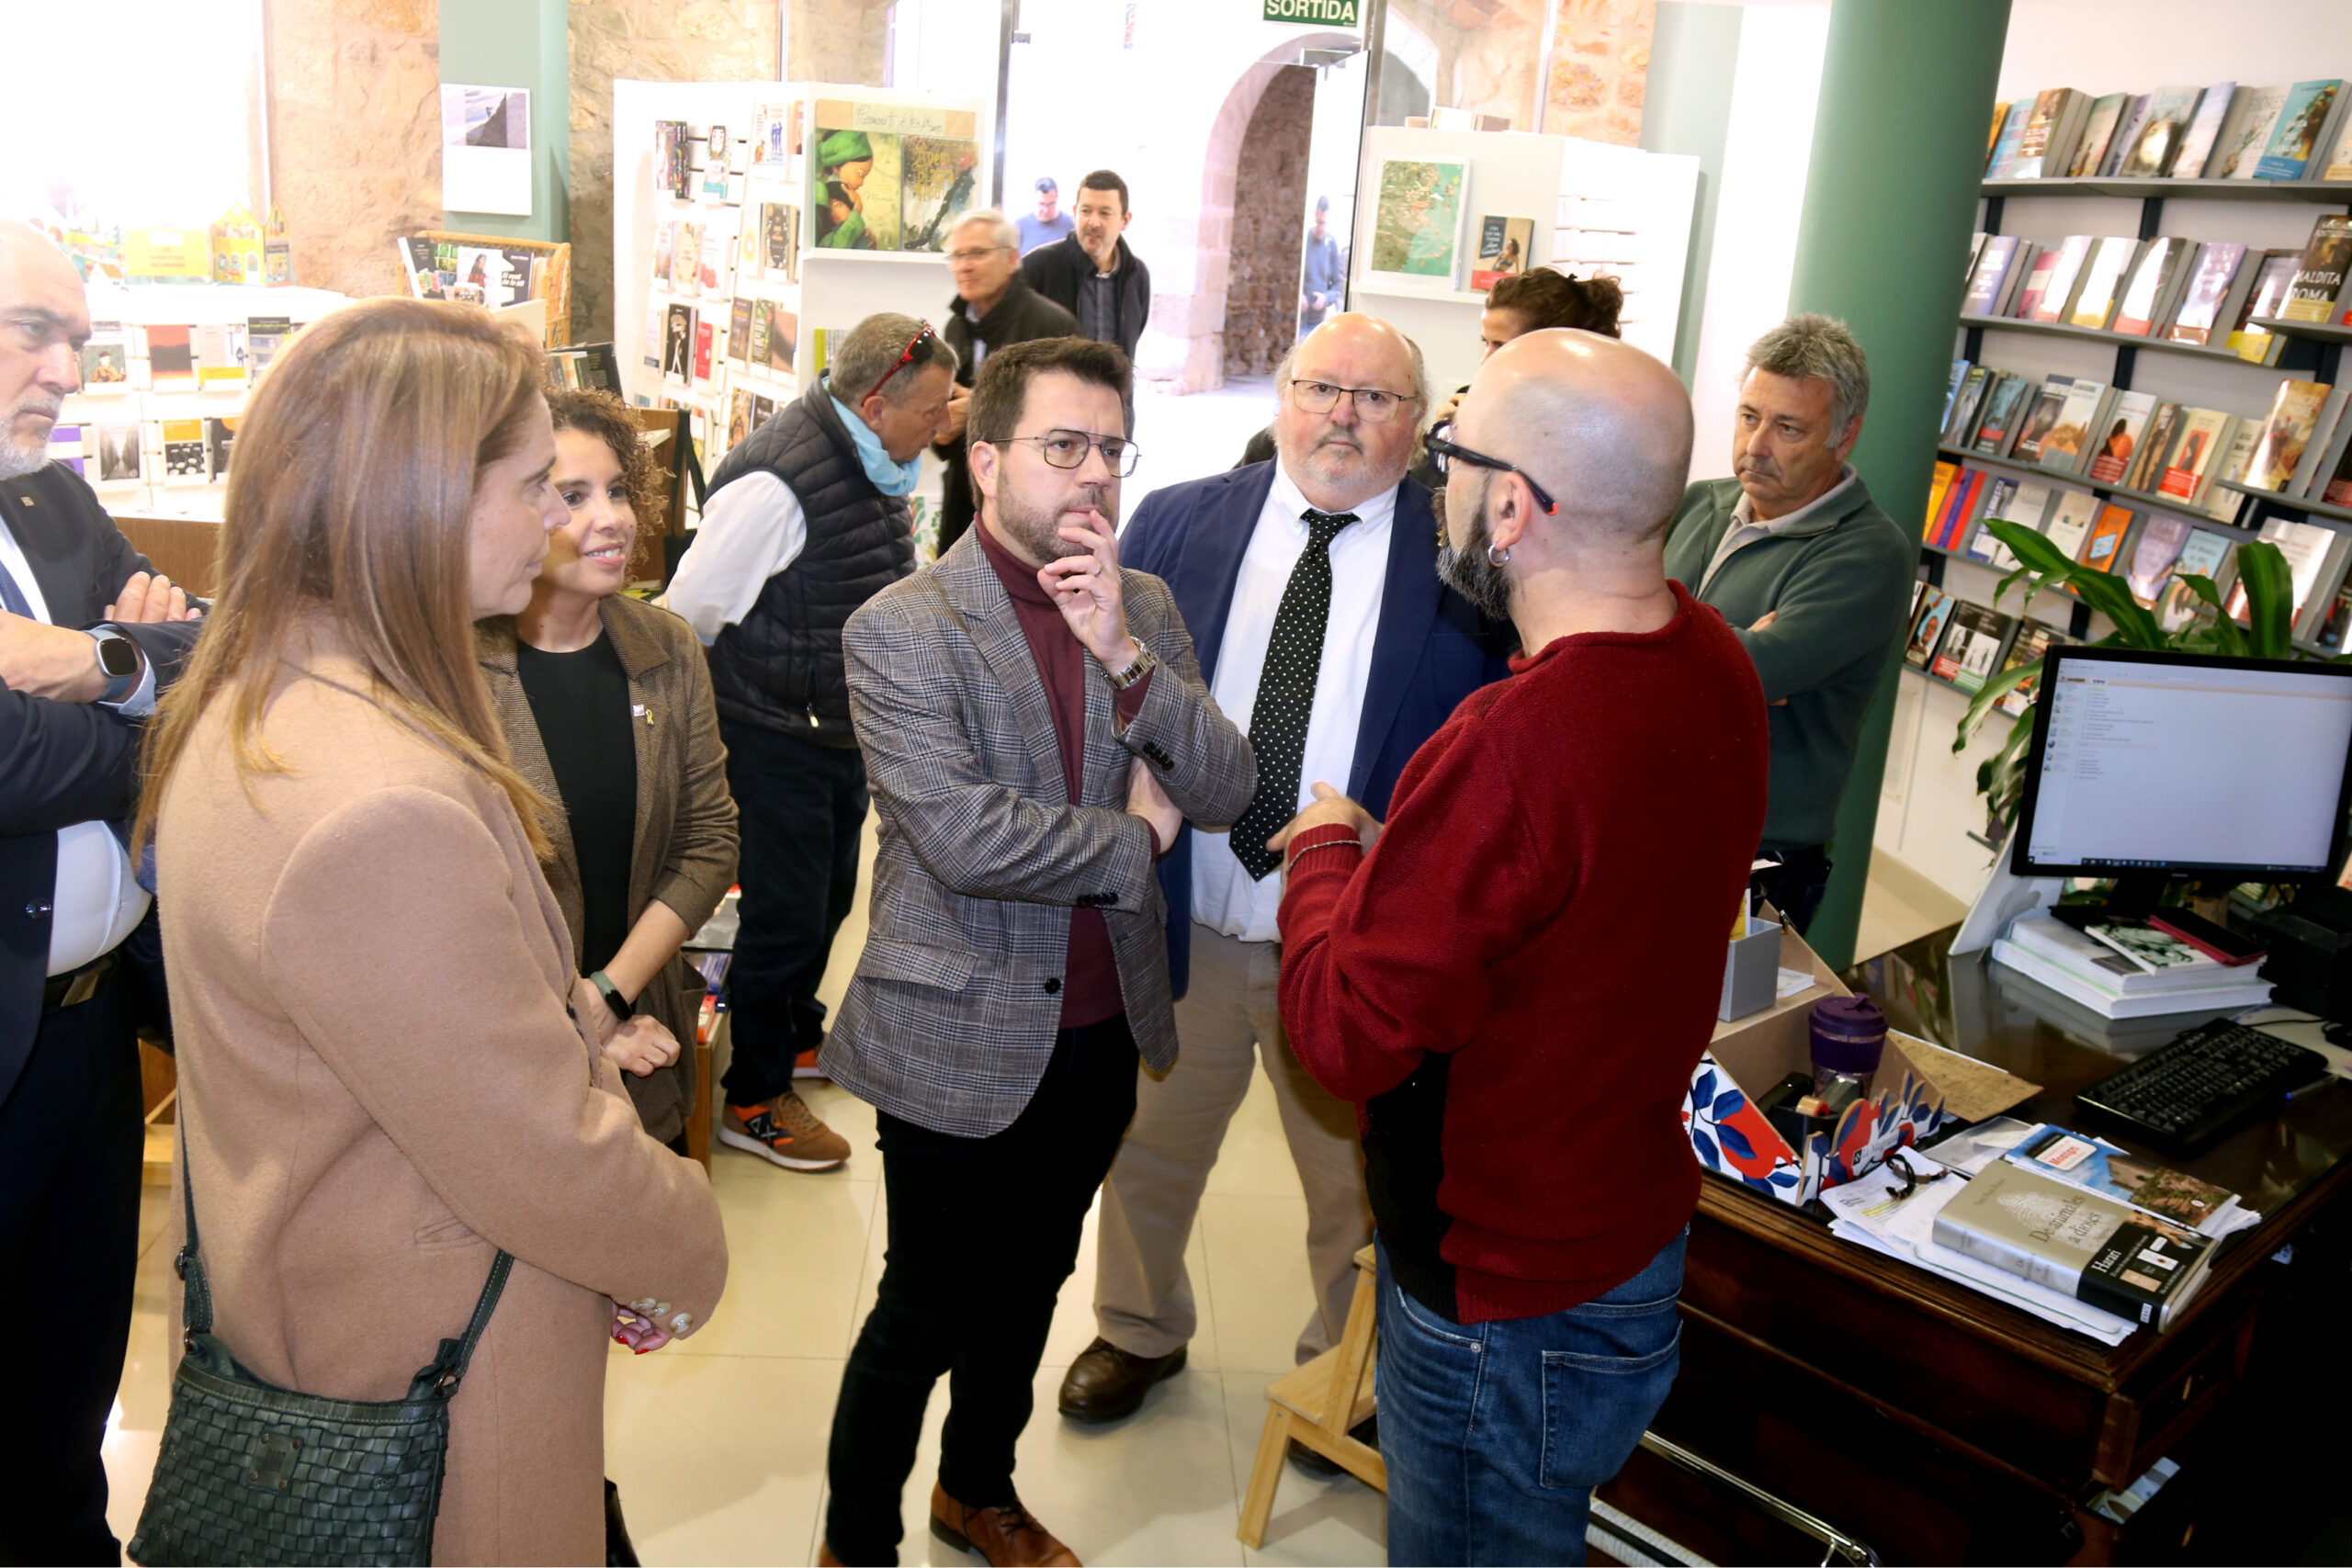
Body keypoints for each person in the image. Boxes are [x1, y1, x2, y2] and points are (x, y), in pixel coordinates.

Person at [139, 297, 729, 1562]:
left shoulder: (267, 699)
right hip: (437, 1370)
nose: (562, 517)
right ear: (420, 501)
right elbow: (540, 1155)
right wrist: (683, 1242)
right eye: (534, 485)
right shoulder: (375, 801)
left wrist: (571, 1024)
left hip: (327, 1317)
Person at [1272, 328, 1770, 1564]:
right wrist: (1419, 862)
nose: (1436, 476)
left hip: (1499, 1294)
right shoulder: (1711, 658)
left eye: (1451, 450)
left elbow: (1341, 1035)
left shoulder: (1512, 741)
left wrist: (1329, 853)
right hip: (1623, 1234)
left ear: (1511, 505)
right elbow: (1568, 910)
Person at [820, 337, 1254, 1567]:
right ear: (986, 458)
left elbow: (1226, 785)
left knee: (1031, 1284)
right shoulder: (902, 626)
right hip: (957, 1025)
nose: (1095, 474)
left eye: (1111, 448)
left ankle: (977, 1491)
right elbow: (965, 836)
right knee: (925, 1307)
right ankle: (854, 1543)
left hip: (1104, 1022)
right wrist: (1134, 837)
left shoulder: (1143, 605)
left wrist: (1123, 654)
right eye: (1065, 446)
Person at [1060, 315, 1507, 1454]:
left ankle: (1339, 1374)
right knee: (1150, 1146)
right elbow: (1108, 690)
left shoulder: (1464, 559)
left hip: (1356, 943)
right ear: (1283, 398)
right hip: (1194, 918)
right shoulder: (1179, 521)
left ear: (1419, 423)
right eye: (1320, 388)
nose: (1342, 416)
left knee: (1350, 1187)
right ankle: (1136, 1328)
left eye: (1375, 397)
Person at [0, 220, 204, 1565]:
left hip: (93, 1032)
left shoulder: (53, 499)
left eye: (76, 339)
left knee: (66, 1384)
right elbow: (6, 764)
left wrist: (97, 663)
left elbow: (202, 657)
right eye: (35, 330)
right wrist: (135, 684)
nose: (67, 371)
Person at [665, 312, 958, 1174]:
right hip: (771, 736)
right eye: (932, 410)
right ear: (876, 404)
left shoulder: (870, 456)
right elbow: (690, 613)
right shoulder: (777, 484)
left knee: (829, 898)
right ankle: (753, 1099)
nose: (941, 426)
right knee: (784, 916)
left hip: (832, 730)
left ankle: (792, 1034)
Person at [479, 387, 740, 1156]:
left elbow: (708, 842)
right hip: (503, 1058)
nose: (612, 517)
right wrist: (570, 1021)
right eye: (573, 495)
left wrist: (607, 995)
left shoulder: (667, 648)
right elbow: (460, 900)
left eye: (618, 490)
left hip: (644, 1034)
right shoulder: (454, 669)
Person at [1661, 314, 1914, 933]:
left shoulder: (1867, 552)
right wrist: (1726, 641)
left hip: (1756, 856)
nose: (1756, 445)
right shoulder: (1698, 502)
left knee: (1731, 1002)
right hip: (1650, 820)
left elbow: (1751, 670)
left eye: (1788, 428)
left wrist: (1671, 631)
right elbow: (1616, 631)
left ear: (1845, 436)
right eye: (1749, 416)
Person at [934, 209, 1078, 557]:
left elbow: (1066, 425)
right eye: (957, 255)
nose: (965, 266)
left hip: (1027, 504)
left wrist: (978, 409)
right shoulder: (957, 326)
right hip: (963, 498)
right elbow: (947, 424)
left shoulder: (1050, 326)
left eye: (977, 253)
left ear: (1012, 258)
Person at [1021, 170, 1151, 363]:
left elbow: (1132, 337)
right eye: (1086, 211)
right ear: (1075, 213)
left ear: (1125, 220)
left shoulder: (1136, 275)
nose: (1093, 222)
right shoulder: (1037, 267)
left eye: (1105, 213)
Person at [1297, 196, 1344, 337]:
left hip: (1319, 322)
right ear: (1314, 216)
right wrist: (1298, 296)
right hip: (1300, 320)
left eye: (1323, 223)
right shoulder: (1305, 240)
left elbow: (1336, 286)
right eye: (1318, 222)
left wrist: (1325, 298)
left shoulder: (1331, 244)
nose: (1320, 228)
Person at [1016, 175, 1073, 255]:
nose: (1046, 210)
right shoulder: (1019, 226)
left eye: (1051, 204)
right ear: (1034, 198)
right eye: (1041, 204)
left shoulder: (1071, 225)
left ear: (1057, 197)